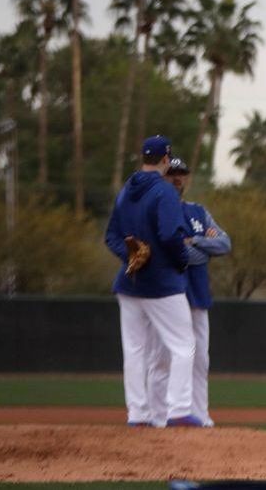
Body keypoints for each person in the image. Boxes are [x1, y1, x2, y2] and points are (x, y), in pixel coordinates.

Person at [105, 135, 199, 427]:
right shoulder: (165, 192)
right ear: (165, 159)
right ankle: (179, 410)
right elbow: (171, 235)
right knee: (183, 345)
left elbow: (111, 236)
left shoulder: (125, 191)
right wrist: (181, 260)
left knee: (134, 350)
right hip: (161, 283)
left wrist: (131, 257)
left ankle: (137, 415)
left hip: (129, 283)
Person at [146, 157, 232, 428]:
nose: (177, 178)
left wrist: (195, 241)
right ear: (163, 176)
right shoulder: (157, 210)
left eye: (182, 173)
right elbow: (170, 254)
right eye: (172, 173)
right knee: (161, 358)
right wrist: (199, 252)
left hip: (196, 295)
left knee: (200, 359)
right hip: (167, 295)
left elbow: (225, 243)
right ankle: (158, 417)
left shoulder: (198, 211)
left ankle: (200, 415)